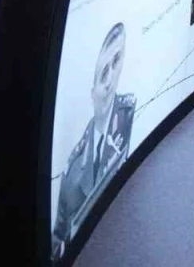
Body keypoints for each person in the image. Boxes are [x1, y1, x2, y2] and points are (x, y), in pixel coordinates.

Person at [53, 24, 135, 259]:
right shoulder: (72, 172)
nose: (109, 81)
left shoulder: (129, 114)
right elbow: (58, 241)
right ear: (92, 93)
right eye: (102, 75)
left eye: (116, 62)